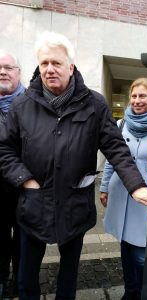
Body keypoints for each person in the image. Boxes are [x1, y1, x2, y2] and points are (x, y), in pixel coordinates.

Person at [0, 32, 147, 300]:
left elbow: (115, 147)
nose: (50, 69)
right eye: (44, 63)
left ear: (70, 67)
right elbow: (4, 149)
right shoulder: (22, 105)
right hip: (33, 206)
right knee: (27, 278)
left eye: (57, 63)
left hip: (75, 207)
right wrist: (25, 180)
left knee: (68, 278)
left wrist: (136, 186)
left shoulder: (94, 104)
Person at [100, 78, 147, 300]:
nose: (137, 101)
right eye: (133, 96)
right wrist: (104, 187)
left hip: (145, 197)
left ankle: (146, 292)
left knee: (142, 253)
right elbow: (110, 160)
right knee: (125, 247)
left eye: (142, 96)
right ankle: (130, 291)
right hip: (121, 193)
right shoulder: (121, 124)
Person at [0, 50, 25, 299]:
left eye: (8, 67)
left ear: (18, 72)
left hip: (23, 190)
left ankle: (19, 283)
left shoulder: (31, 103)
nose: (2, 72)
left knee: (22, 243)